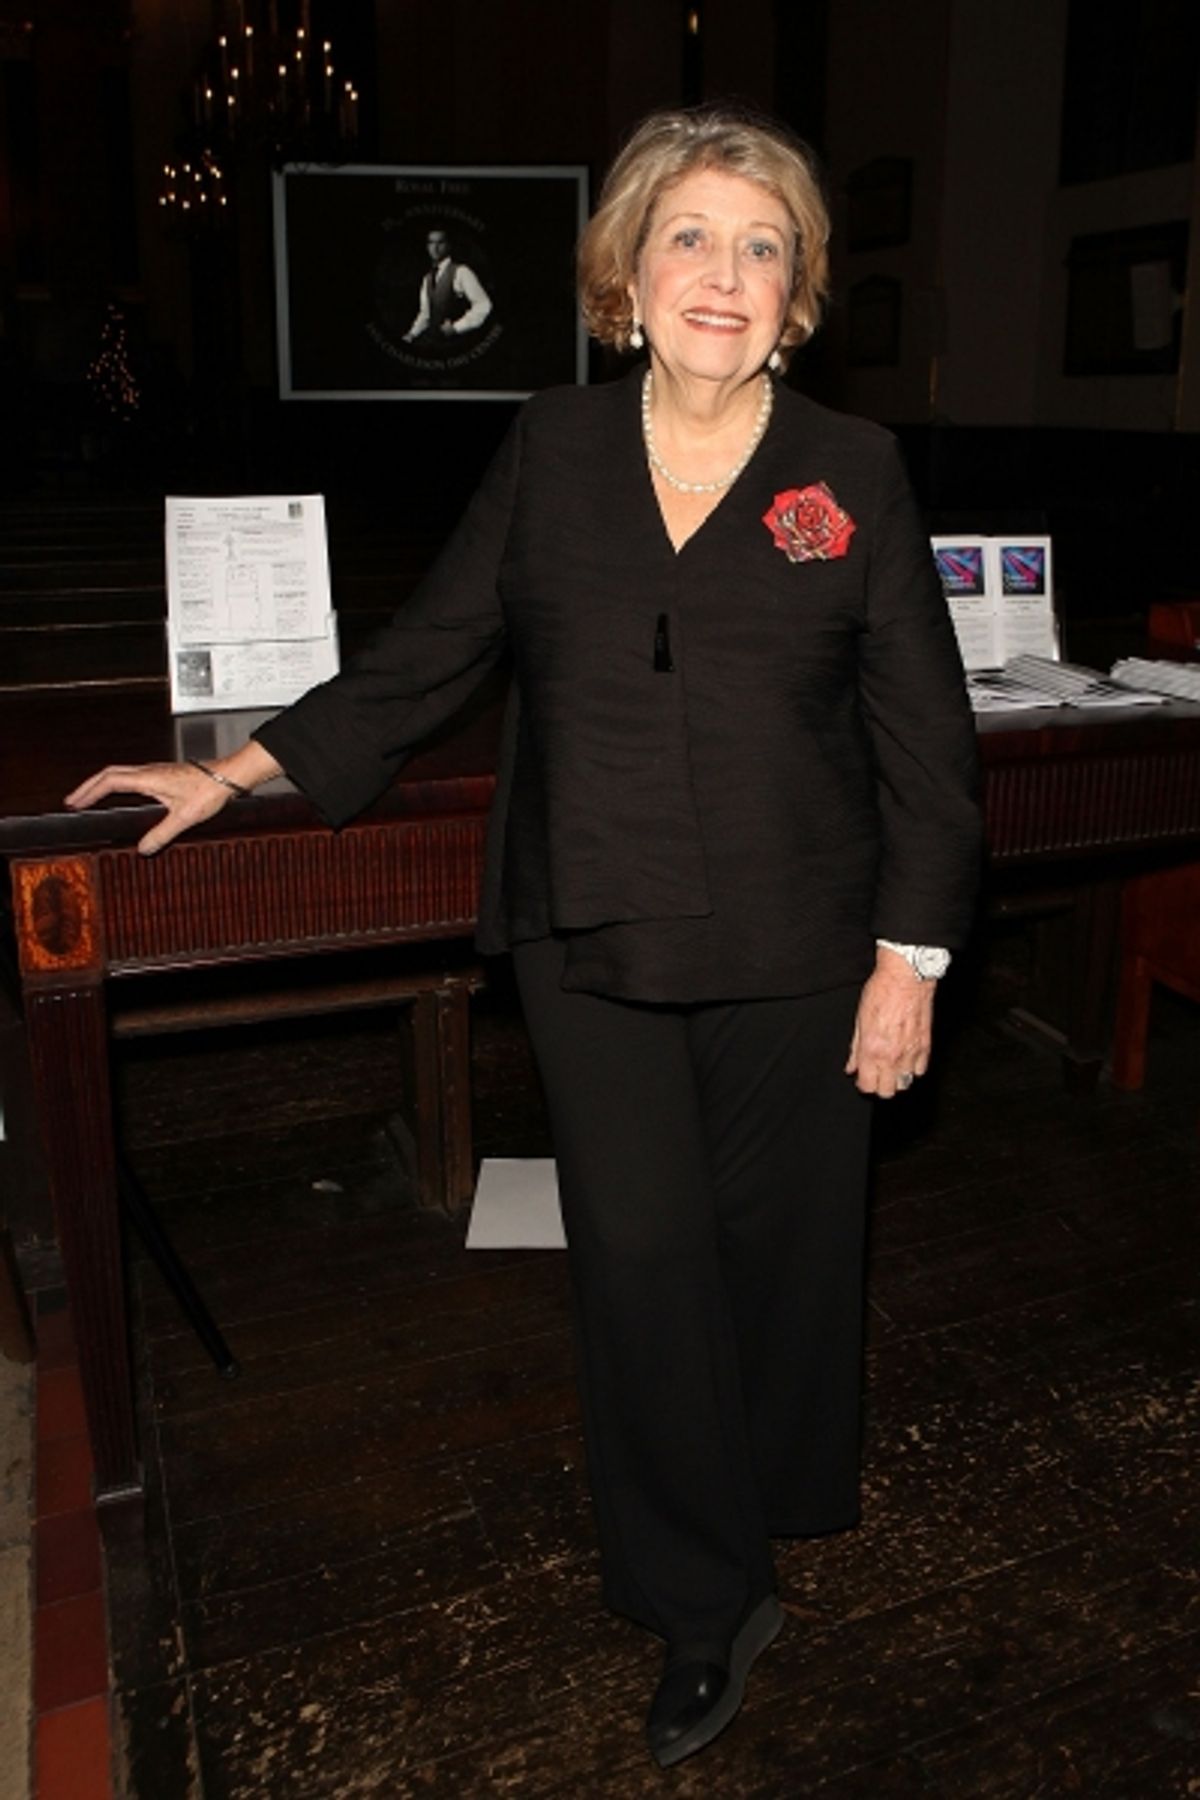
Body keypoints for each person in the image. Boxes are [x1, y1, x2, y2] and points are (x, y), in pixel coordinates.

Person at [66, 106, 981, 1769]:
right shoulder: (556, 447)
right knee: (640, 1272)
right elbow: (425, 657)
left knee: (780, 1267)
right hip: (591, 935)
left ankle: (769, 1489)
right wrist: (235, 772)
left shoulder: (852, 471)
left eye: (762, 243)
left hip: (801, 946)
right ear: (627, 271)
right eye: (691, 236)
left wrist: (907, 962)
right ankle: (707, 1601)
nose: (725, 272)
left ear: (801, 291)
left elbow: (928, 741)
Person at [402, 225, 493, 344]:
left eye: (440, 242)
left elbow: (484, 305)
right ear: (427, 247)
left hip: (457, 343)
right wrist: (411, 334)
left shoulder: (461, 271)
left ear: (449, 245)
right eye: (431, 243)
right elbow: (425, 313)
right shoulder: (427, 278)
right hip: (433, 342)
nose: (435, 248)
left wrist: (457, 327)